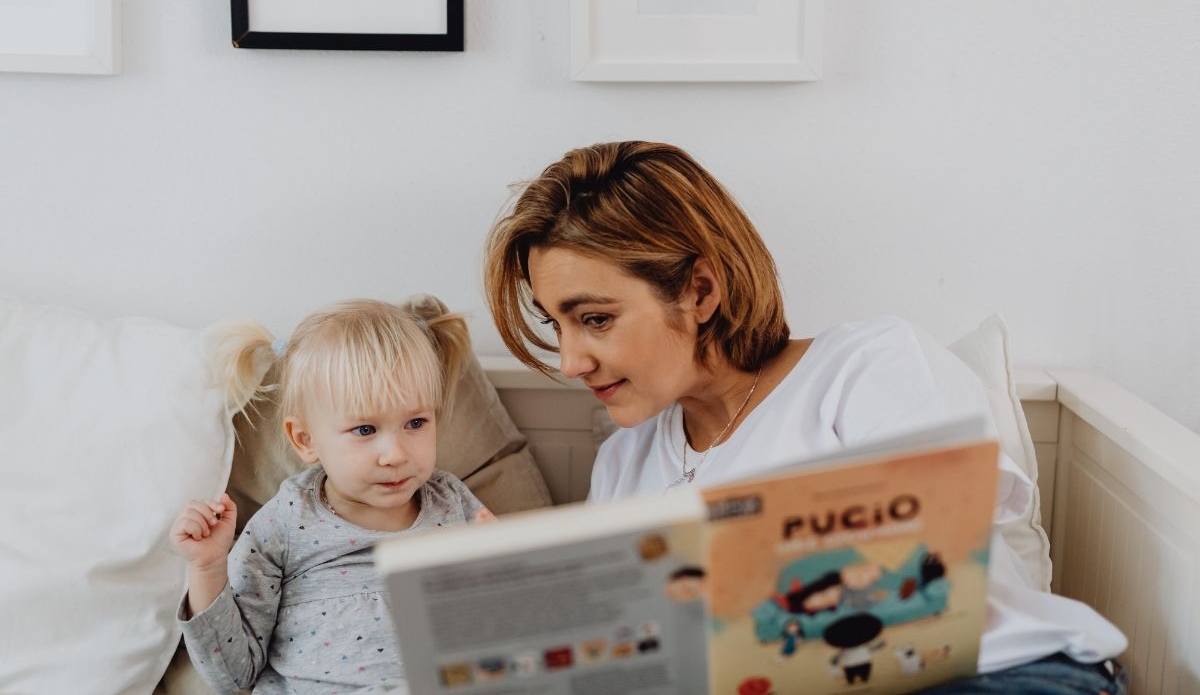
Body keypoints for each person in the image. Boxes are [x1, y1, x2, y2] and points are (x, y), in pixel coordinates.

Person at [483, 140, 1128, 693]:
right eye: (557, 324)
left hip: (992, 674)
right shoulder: (624, 463)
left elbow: (936, 558)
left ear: (700, 291)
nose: (570, 361)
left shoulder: (867, 365)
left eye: (595, 319)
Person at [170, 299, 494, 694]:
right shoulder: (286, 523)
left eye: (416, 423)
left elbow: (505, 629)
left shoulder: (453, 503)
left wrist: (503, 567)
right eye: (364, 430)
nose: (395, 455)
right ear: (305, 440)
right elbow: (233, 674)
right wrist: (207, 569)